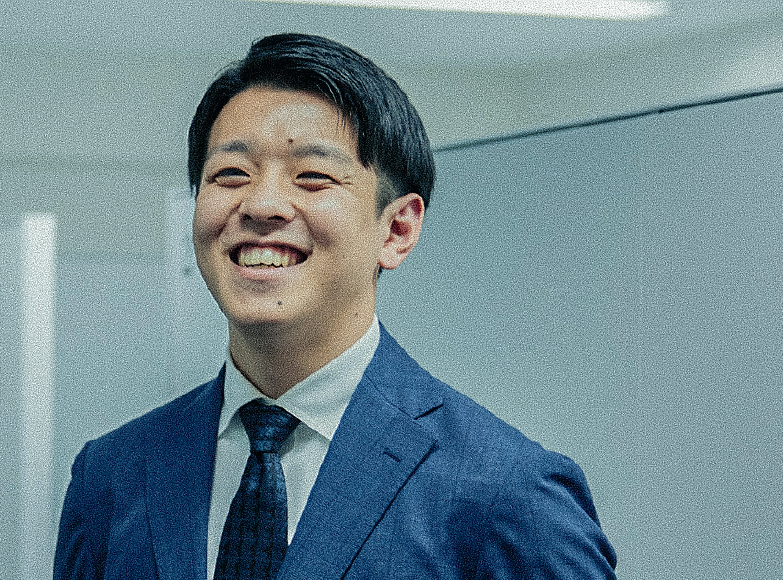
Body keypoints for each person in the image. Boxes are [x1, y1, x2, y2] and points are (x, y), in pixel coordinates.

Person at [54, 33, 617, 580]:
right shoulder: (112, 475)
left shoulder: (506, 492)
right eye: (230, 174)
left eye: (313, 178)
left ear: (396, 230)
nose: (262, 205)